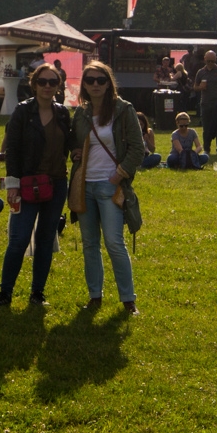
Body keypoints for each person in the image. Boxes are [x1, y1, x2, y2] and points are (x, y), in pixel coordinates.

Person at [0, 65, 73, 307]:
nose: (48, 86)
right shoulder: (23, 112)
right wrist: (12, 184)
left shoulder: (63, 113)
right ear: (34, 84)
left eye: (53, 82)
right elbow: (12, 149)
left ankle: (37, 293)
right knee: (19, 238)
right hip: (26, 184)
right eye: (43, 82)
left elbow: (70, 143)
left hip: (56, 184)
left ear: (58, 86)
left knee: (46, 239)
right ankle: (5, 293)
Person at [69, 61, 140, 314]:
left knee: (113, 242)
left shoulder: (124, 109)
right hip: (84, 186)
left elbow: (137, 148)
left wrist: (119, 175)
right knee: (89, 243)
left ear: (109, 82)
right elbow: (74, 143)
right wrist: (75, 151)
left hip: (111, 186)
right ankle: (95, 296)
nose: (95, 84)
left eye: (101, 80)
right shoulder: (81, 113)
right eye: (90, 80)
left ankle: (127, 299)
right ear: (84, 85)